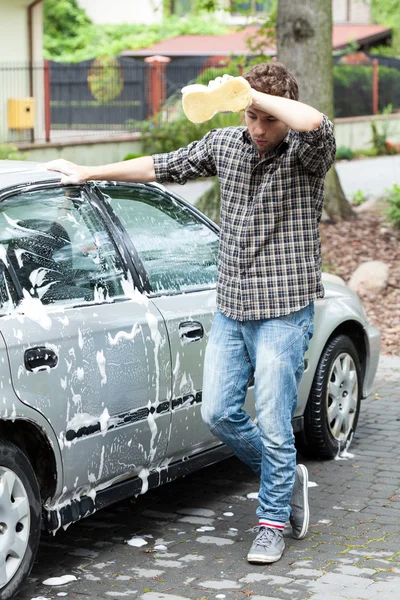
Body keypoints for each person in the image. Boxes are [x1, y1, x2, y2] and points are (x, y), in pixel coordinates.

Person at [45, 62, 336, 565]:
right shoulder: (226, 144)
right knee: (218, 413)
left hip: (284, 312)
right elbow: (161, 166)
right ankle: (285, 476)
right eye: (250, 117)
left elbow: (316, 122)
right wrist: (92, 172)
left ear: (280, 113)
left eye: (266, 118)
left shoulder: (305, 154)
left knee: (271, 419)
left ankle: (271, 521)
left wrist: (258, 98)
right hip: (233, 306)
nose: (259, 129)